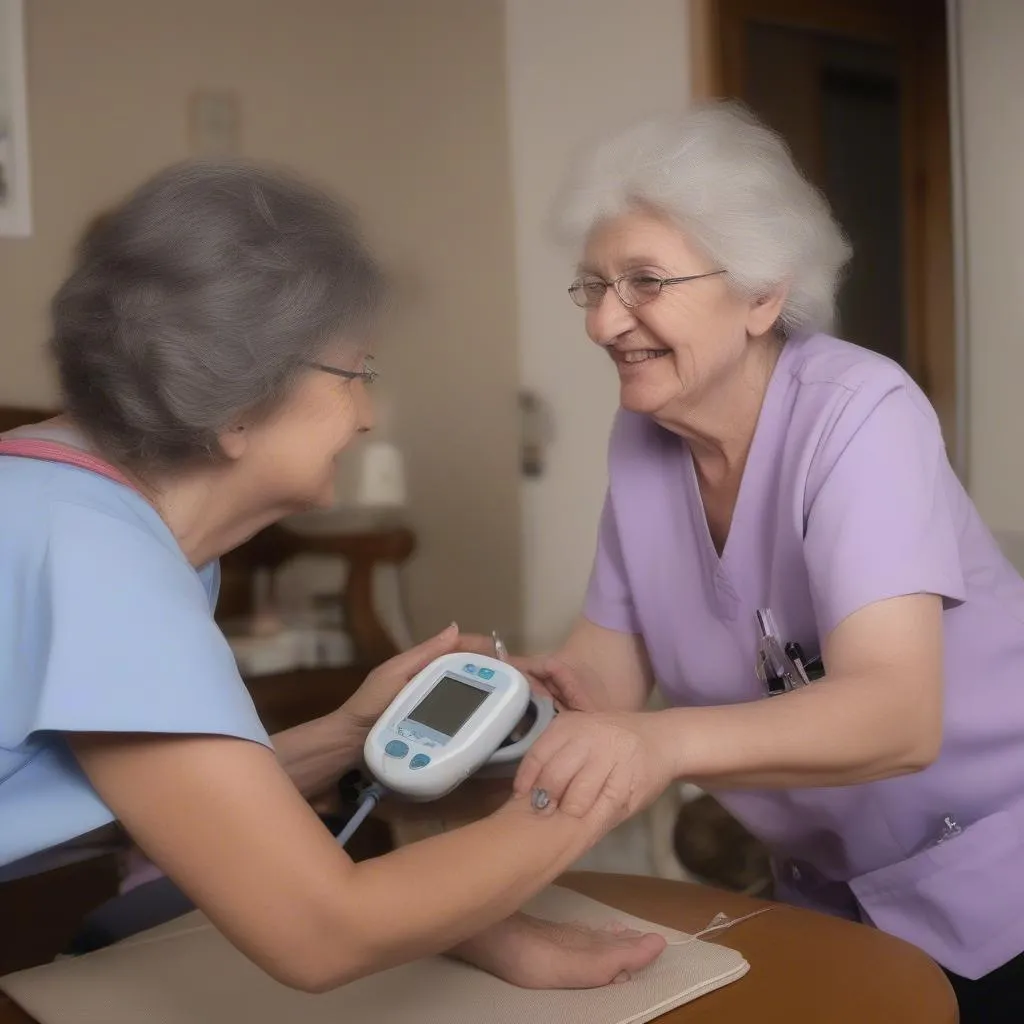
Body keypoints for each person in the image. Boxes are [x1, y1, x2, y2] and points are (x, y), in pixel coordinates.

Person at [0, 161, 666, 992]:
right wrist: (602, 779)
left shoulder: (57, 497)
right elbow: (322, 936)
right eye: (358, 372)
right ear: (236, 403)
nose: (369, 414)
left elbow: (188, 811)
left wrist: (351, 730)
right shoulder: (102, 561)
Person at [488, 102, 1024, 1023]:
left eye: (645, 281)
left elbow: (897, 715)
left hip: (999, 873)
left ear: (763, 294)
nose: (606, 322)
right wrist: (510, 715)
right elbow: (601, 682)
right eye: (594, 285)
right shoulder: (646, 435)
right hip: (827, 890)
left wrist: (660, 743)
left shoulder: (861, 413)